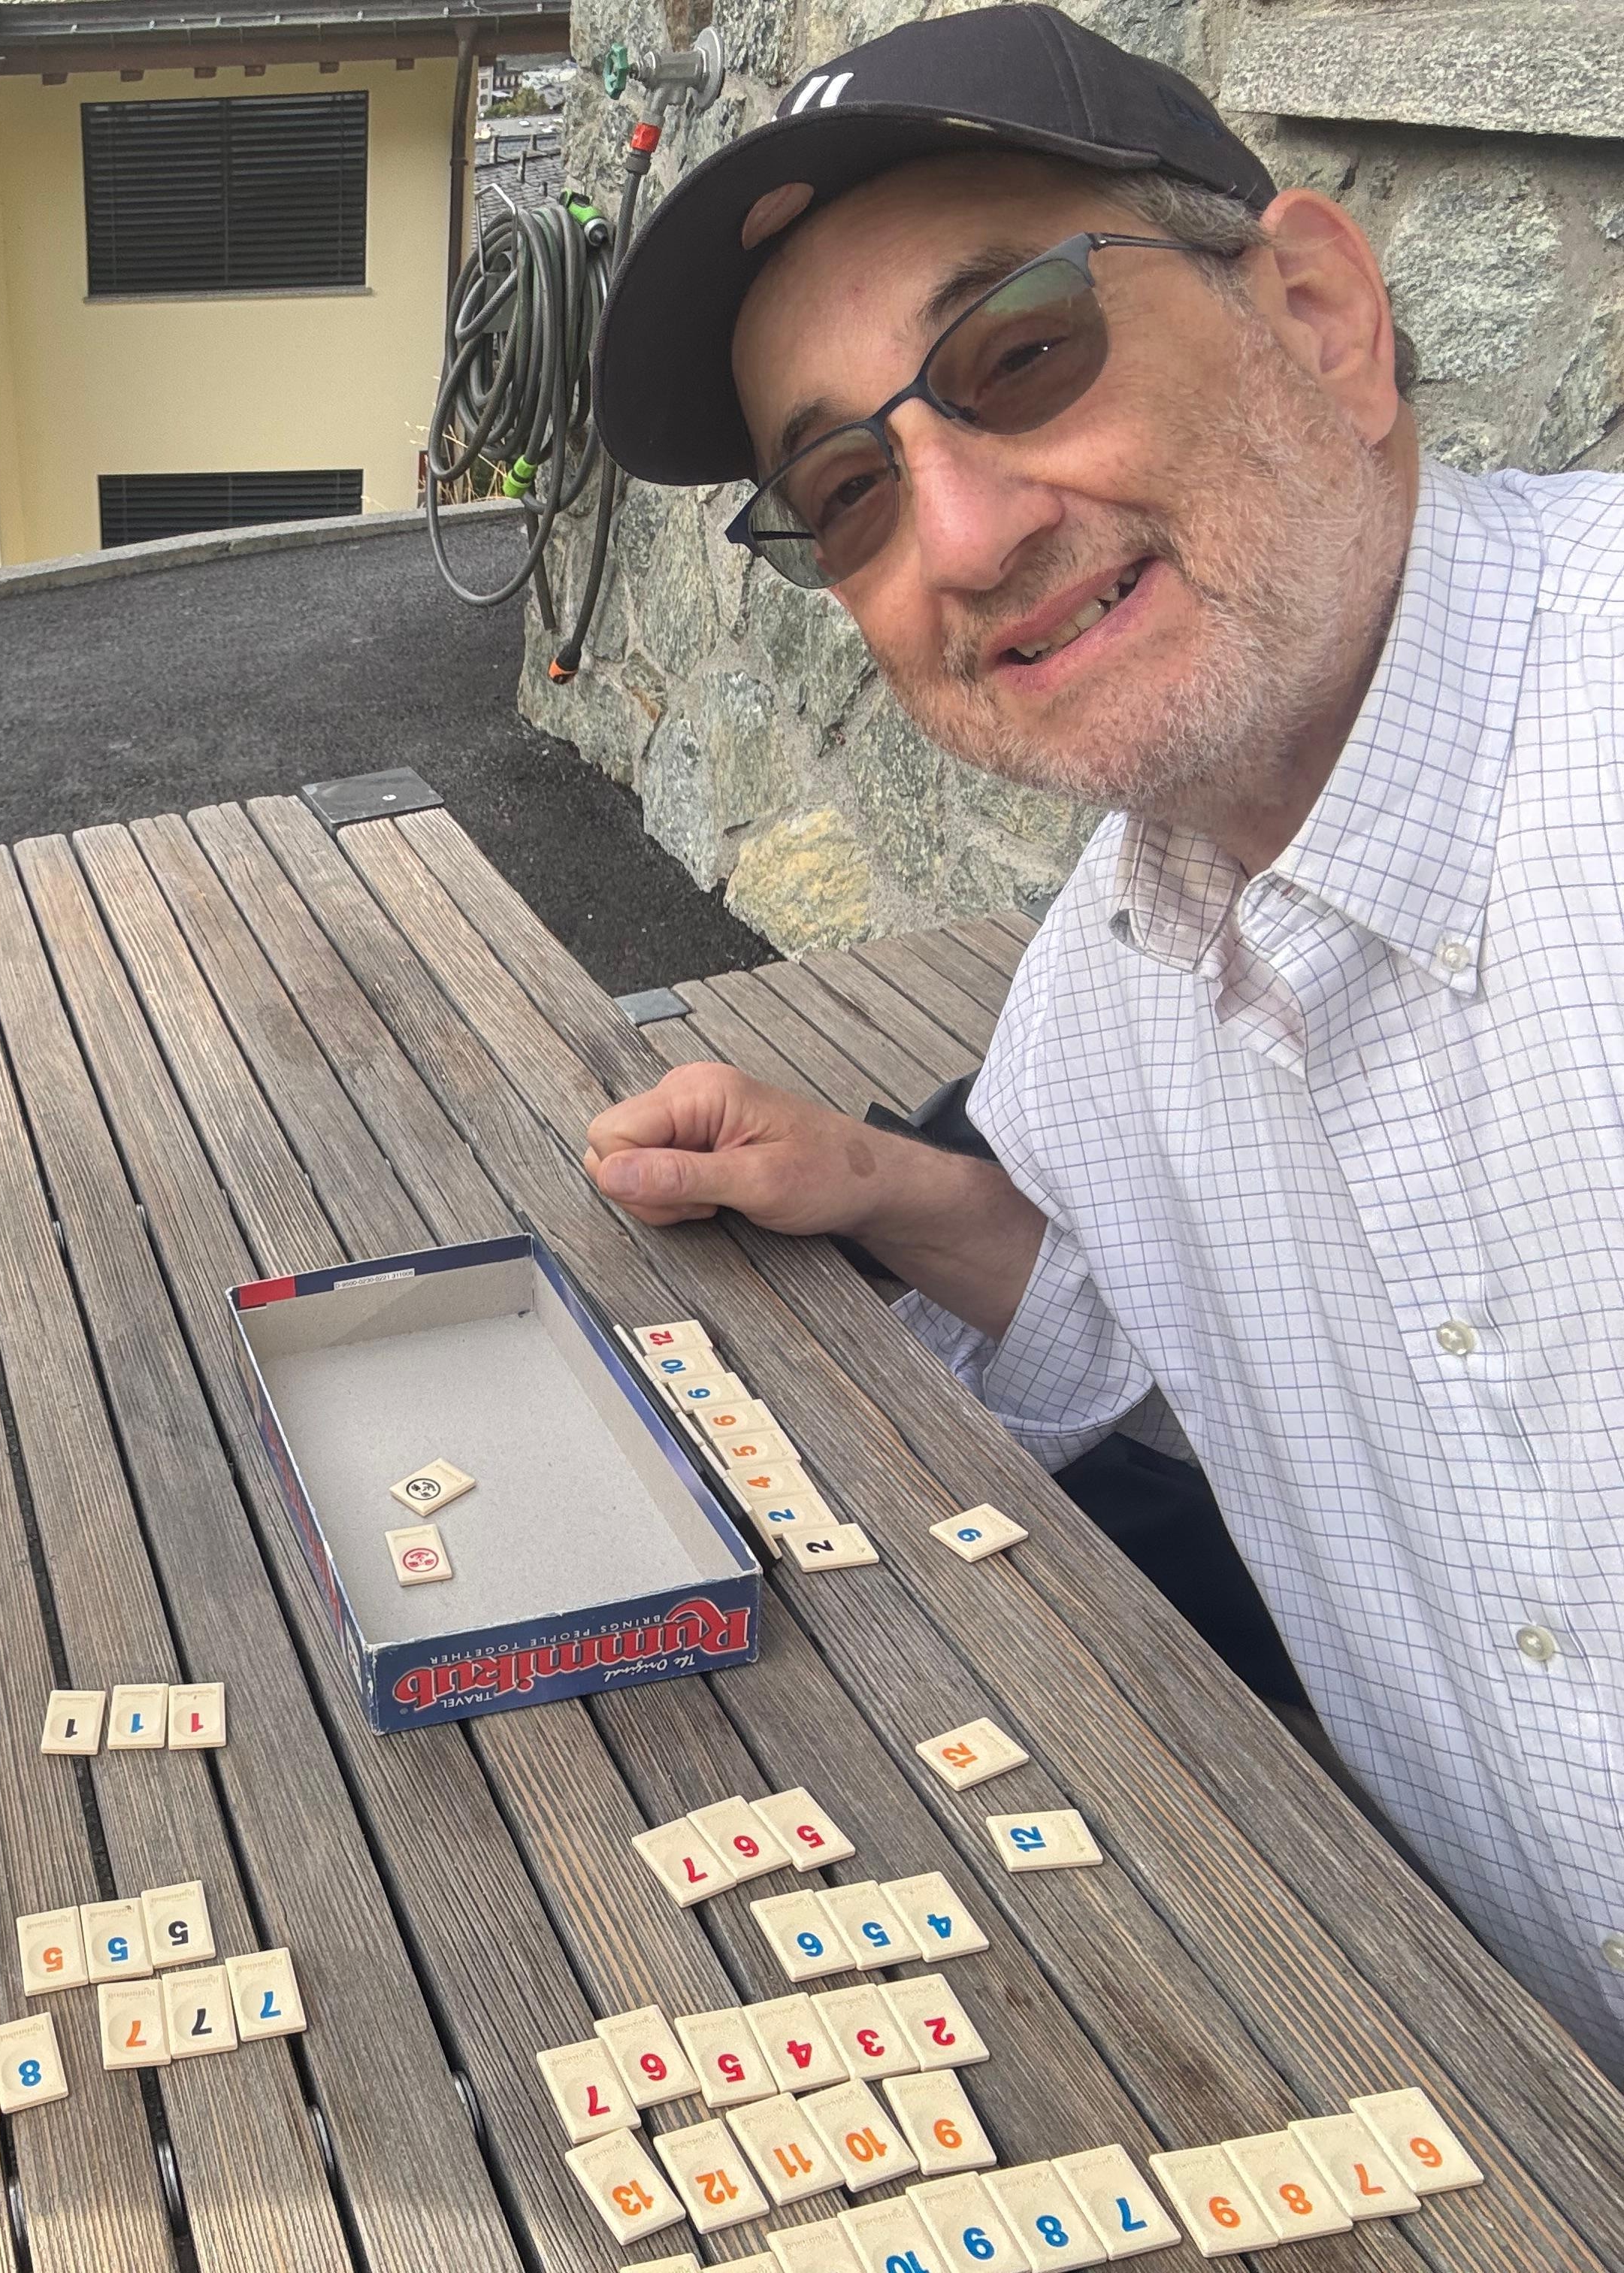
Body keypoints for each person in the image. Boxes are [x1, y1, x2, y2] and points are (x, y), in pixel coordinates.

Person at [579, 3, 1623, 2074]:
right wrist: (893, 1187)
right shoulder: (1112, 965)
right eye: (853, 492)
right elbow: (1149, 1344)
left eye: (1025, 355)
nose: (960, 542)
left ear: (1323, 316)